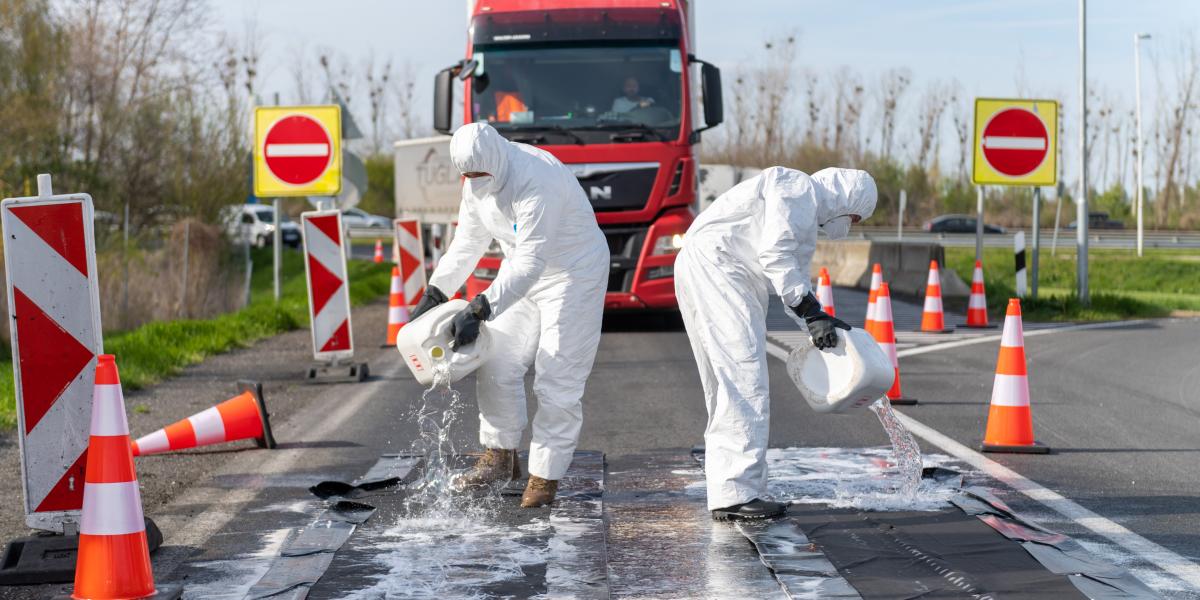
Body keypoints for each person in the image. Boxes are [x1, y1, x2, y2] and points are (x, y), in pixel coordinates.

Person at [409, 122, 609, 508]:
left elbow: (533, 259)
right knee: (497, 360)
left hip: (572, 275)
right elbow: (467, 242)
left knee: (557, 375)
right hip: (520, 277)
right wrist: (434, 293)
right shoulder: (475, 181)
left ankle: (545, 475)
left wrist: (480, 308)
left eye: (480, 175)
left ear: (497, 159)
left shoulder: (538, 177)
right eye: (468, 176)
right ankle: (500, 458)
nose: (476, 181)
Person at [674, 166, 877, 521]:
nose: (850, 225)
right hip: (722, 270)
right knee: (744, 379)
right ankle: (737, 492)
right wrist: (811, 313)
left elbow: (790, 279)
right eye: (855, 216)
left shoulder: (801, 206)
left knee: (725, 384)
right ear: (845, 199)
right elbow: (776, 256)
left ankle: (731, 487)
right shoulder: (799, 188)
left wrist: (816, 319)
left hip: (709, 266)